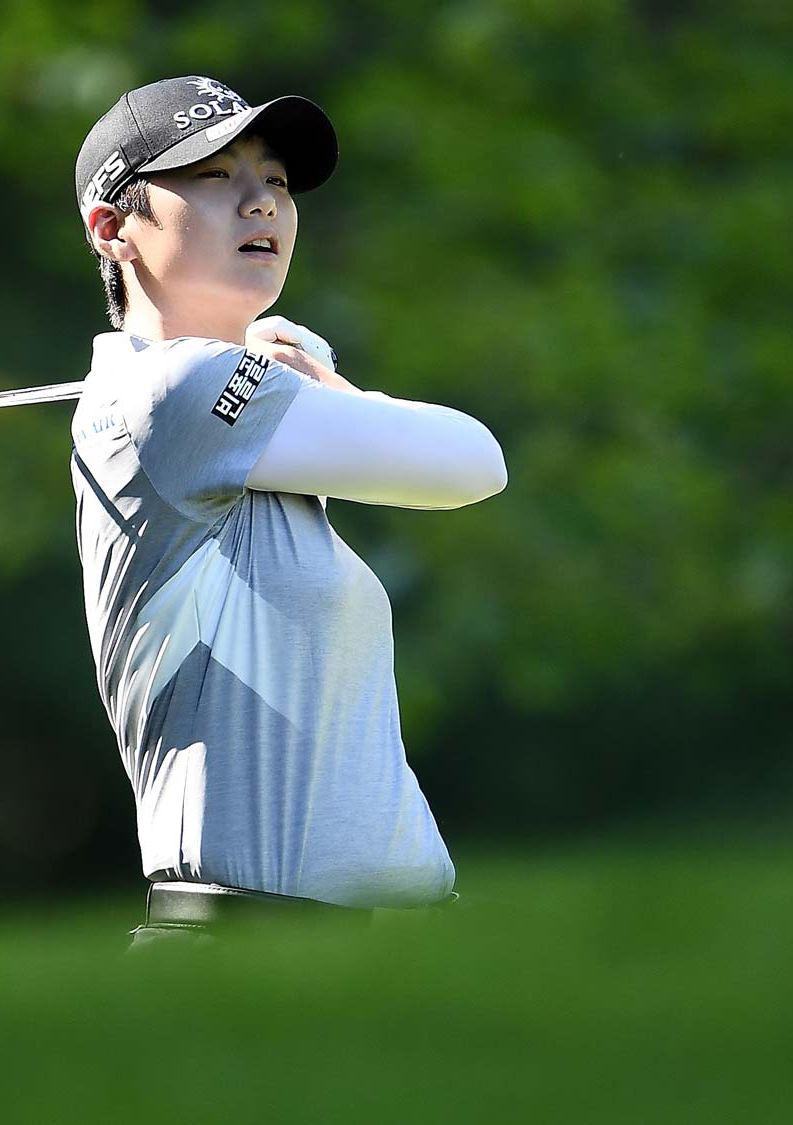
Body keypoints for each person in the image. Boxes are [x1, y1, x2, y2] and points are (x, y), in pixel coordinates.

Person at [67, 76, 506, 943]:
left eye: (274, 179)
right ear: (113, 229)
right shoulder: (171, 389)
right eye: (213, 175)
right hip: (253, 944)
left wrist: (306, 382)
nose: (259, 200)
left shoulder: (207, 404)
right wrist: (333, 384)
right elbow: (474, 463)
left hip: (379, 958)